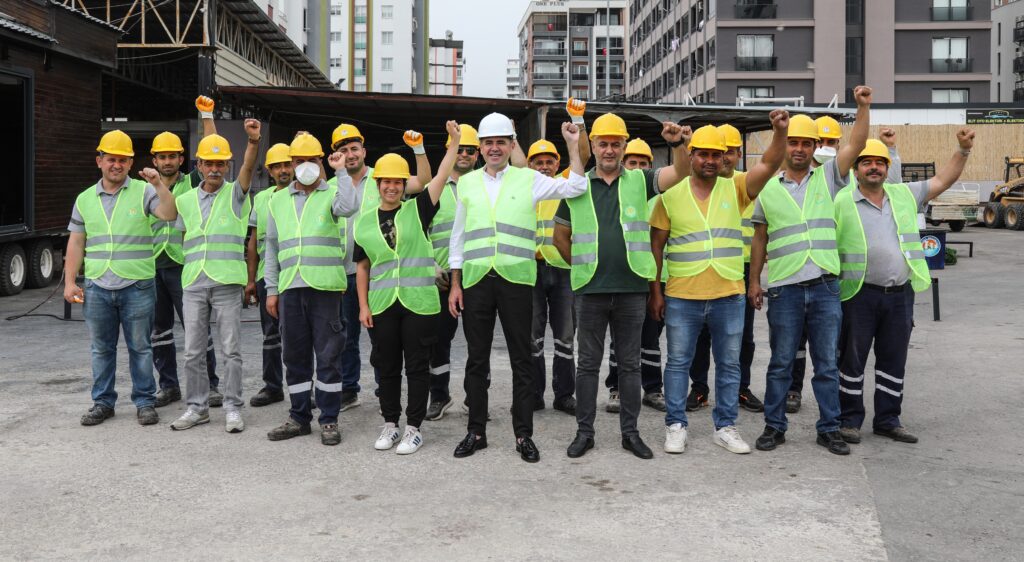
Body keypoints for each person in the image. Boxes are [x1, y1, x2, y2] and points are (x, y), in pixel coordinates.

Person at [448, 112, 587, 463]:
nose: (494, 148)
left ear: (512, 145)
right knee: (476, 360)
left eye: (501, 142)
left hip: (517, 281)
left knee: (522, 360)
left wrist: (573, 145)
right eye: (488, 143)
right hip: (477, 280)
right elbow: (458, 237)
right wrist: (455, 283)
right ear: (480, 147)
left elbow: (576, 186)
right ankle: (476, 431)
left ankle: (523, 434)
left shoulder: (529, 178)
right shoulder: (467, 183)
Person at [554, 114, 693, 459]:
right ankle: (585, 433)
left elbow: (681, 172)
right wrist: (584, 265)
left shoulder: (641, 180)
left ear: (624, 146)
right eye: (603, 143)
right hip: (590, 289)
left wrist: (678, 144)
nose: (609, 150)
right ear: (593, 146)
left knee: (630, 365)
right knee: (588, 365)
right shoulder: (576, 185)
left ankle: (630, 434)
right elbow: (560, 237)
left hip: (631, 287)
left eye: (616, 144)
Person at [648, 113, 787, 456]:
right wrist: (656, 291)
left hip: (728, 294)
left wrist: (780, 132)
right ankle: (676, 425)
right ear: (691, 154)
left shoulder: (736, 187)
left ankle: (725, 426)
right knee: (678, 363)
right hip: (682, 295)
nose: (710, 160)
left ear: (724, 157)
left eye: (716, 154)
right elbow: (656, 247)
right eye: (703, 154)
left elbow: (770, 163)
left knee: (729, 364)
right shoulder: (670, 194)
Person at [748, 85, 874, 456]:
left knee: (826, 365)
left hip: (824, 286)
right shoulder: (768, 188)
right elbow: (759, 238)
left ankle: (829, 428)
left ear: (815, 147)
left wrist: (862, 107)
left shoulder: (829, 176)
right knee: (781, 363)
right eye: (793, 142)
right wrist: (754, 281)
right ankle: (774, 426)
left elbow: (857, 143)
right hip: (784, 288)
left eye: (806, 143)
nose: (800, 149)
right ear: (785, 145)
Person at [835, 130, 974, 445]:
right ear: (855, 169)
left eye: (879, 162)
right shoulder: (841, 200)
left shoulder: (904, 194)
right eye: (866, 162)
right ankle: (849, 420)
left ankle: (888, 420)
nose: (874, 167)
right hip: (858, 294)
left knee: (893, 359)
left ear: (887, 168)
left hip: (899, 295)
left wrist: (963, 150)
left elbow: (944, 180)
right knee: (851, 360)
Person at [355, 122, 463, 455]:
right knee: (386, 367)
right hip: (383, 304)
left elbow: (440, 176)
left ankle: (413, 428)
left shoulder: (419, 209)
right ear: (378, 184)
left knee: (417, 367)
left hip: (419, 303)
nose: (391, 187)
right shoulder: (364, 221)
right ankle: (390, 424)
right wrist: (363, 306)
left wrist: (454, 143)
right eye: (386, 181)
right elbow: (363, 266)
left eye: (397, 182)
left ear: (405, 186)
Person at [784, 120, 905, 414]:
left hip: (831, 278)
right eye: (822, 142)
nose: (826, 147)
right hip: (796, 272)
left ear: (839, 144)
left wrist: (890, 150)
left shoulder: (845, 177)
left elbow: (890, 188)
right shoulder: (796, 179)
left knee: (831, 349)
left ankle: (838, 409)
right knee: (795, 342)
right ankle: (793, 389)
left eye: (831, 142)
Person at [64, 130, 177, 427]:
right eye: (111, 159)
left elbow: (169, 214)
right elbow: (76, 242)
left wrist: (158, 185)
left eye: (123, 160)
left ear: (130, 163)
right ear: (99, 161)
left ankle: (145, 402)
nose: (117, 165)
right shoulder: (85, 199)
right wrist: (70, 281)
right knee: (101, 349)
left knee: (141, 348)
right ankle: (103, 402)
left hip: (137, 285)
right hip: (98, 285)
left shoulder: (144, 191)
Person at [263, 133, 358, 446]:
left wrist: (340, 171)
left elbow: (350, 207)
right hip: (291, 288)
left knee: (329, 357)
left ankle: (329, 420)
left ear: (321, 162)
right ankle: (299, 417)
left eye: (312, 160)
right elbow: (272, 248)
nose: (306, 166)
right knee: (295, 356)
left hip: (325, 288)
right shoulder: (277, 200)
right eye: (300, 161)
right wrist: (272, 289)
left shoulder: (333, 193)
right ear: (291, 163)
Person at [328, 124, 432, 411]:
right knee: (346, 337)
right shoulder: (332, 184)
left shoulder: (385, 177)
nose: (350, 155)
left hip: (382, 275)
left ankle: (383, 388)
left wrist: (418, 149)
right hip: (344, 271)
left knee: (381, 340)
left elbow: (423, 181)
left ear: (364, 150)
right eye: (343, 150)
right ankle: (349, 389)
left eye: (354, 149)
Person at [168, 122, 259, 432]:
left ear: (227, 166)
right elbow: (184, 237)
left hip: (226, 283)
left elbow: (248, 168)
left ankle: (233, 407)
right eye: (209, 163)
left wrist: (253, 141)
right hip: (194, 282)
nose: (215, 169)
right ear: (199, 166)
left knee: (231, 350)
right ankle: (197, 408)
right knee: (192, 351)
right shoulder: (184, 201)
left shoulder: (235, 195)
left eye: (221, 163)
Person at [685, 124, 765, 414]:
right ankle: (699, 388)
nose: (727, 157)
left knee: (742, 336)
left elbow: (760, 235)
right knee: (701, 335)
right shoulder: (697, 187)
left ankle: (741, 388)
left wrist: (754, 280)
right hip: (704, 267)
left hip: (740, 270)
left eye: (731, 151)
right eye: (723, 151)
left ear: (738, 154)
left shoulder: (748, 186)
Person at [150, 96, 222, 409]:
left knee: (197, 330)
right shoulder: (146, 187)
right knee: (159, 332)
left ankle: (211, 385)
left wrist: (207, 116)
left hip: (184, 267)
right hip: (153, 266)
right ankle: (168, 386)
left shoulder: (193, 182)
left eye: (172, 156)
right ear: (154, 160)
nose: (167, 161)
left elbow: (212, 148)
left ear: (182, 159)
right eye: (162, 156)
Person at [604, 137, 667, 414]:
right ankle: (616, 387)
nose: (639, 168)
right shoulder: (618, 194)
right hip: (627, 276)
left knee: (651, 337)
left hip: (657, 276)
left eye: (644, 163)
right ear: (624, 163)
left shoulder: (662, 198)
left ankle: (652, 389)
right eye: (633, 162)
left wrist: (658, 288)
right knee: (620, 338)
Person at [425, 124, 480, 421]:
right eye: (460, 149)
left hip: (477, 277)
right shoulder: (434, 189)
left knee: (479, 341)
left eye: (471, 150)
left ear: (478, 154)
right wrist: (429, 266)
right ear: (450, 150)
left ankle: (476, 397)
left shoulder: (485, 186)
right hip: (442, 280)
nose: (465, 154)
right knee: (437, 341)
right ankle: (439, 396)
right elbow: (418, 233)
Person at [244, 143, 293, 407]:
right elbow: (254, 242)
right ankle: (272, 386)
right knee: (270, 334)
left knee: (300, 335)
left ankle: (304, 388)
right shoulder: (262, 199)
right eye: (277, 166)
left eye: (287, 164)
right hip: (267, 275)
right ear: (270, 171)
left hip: (296, 274)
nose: (283, 170)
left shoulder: (304, 194)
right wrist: (251, 280)